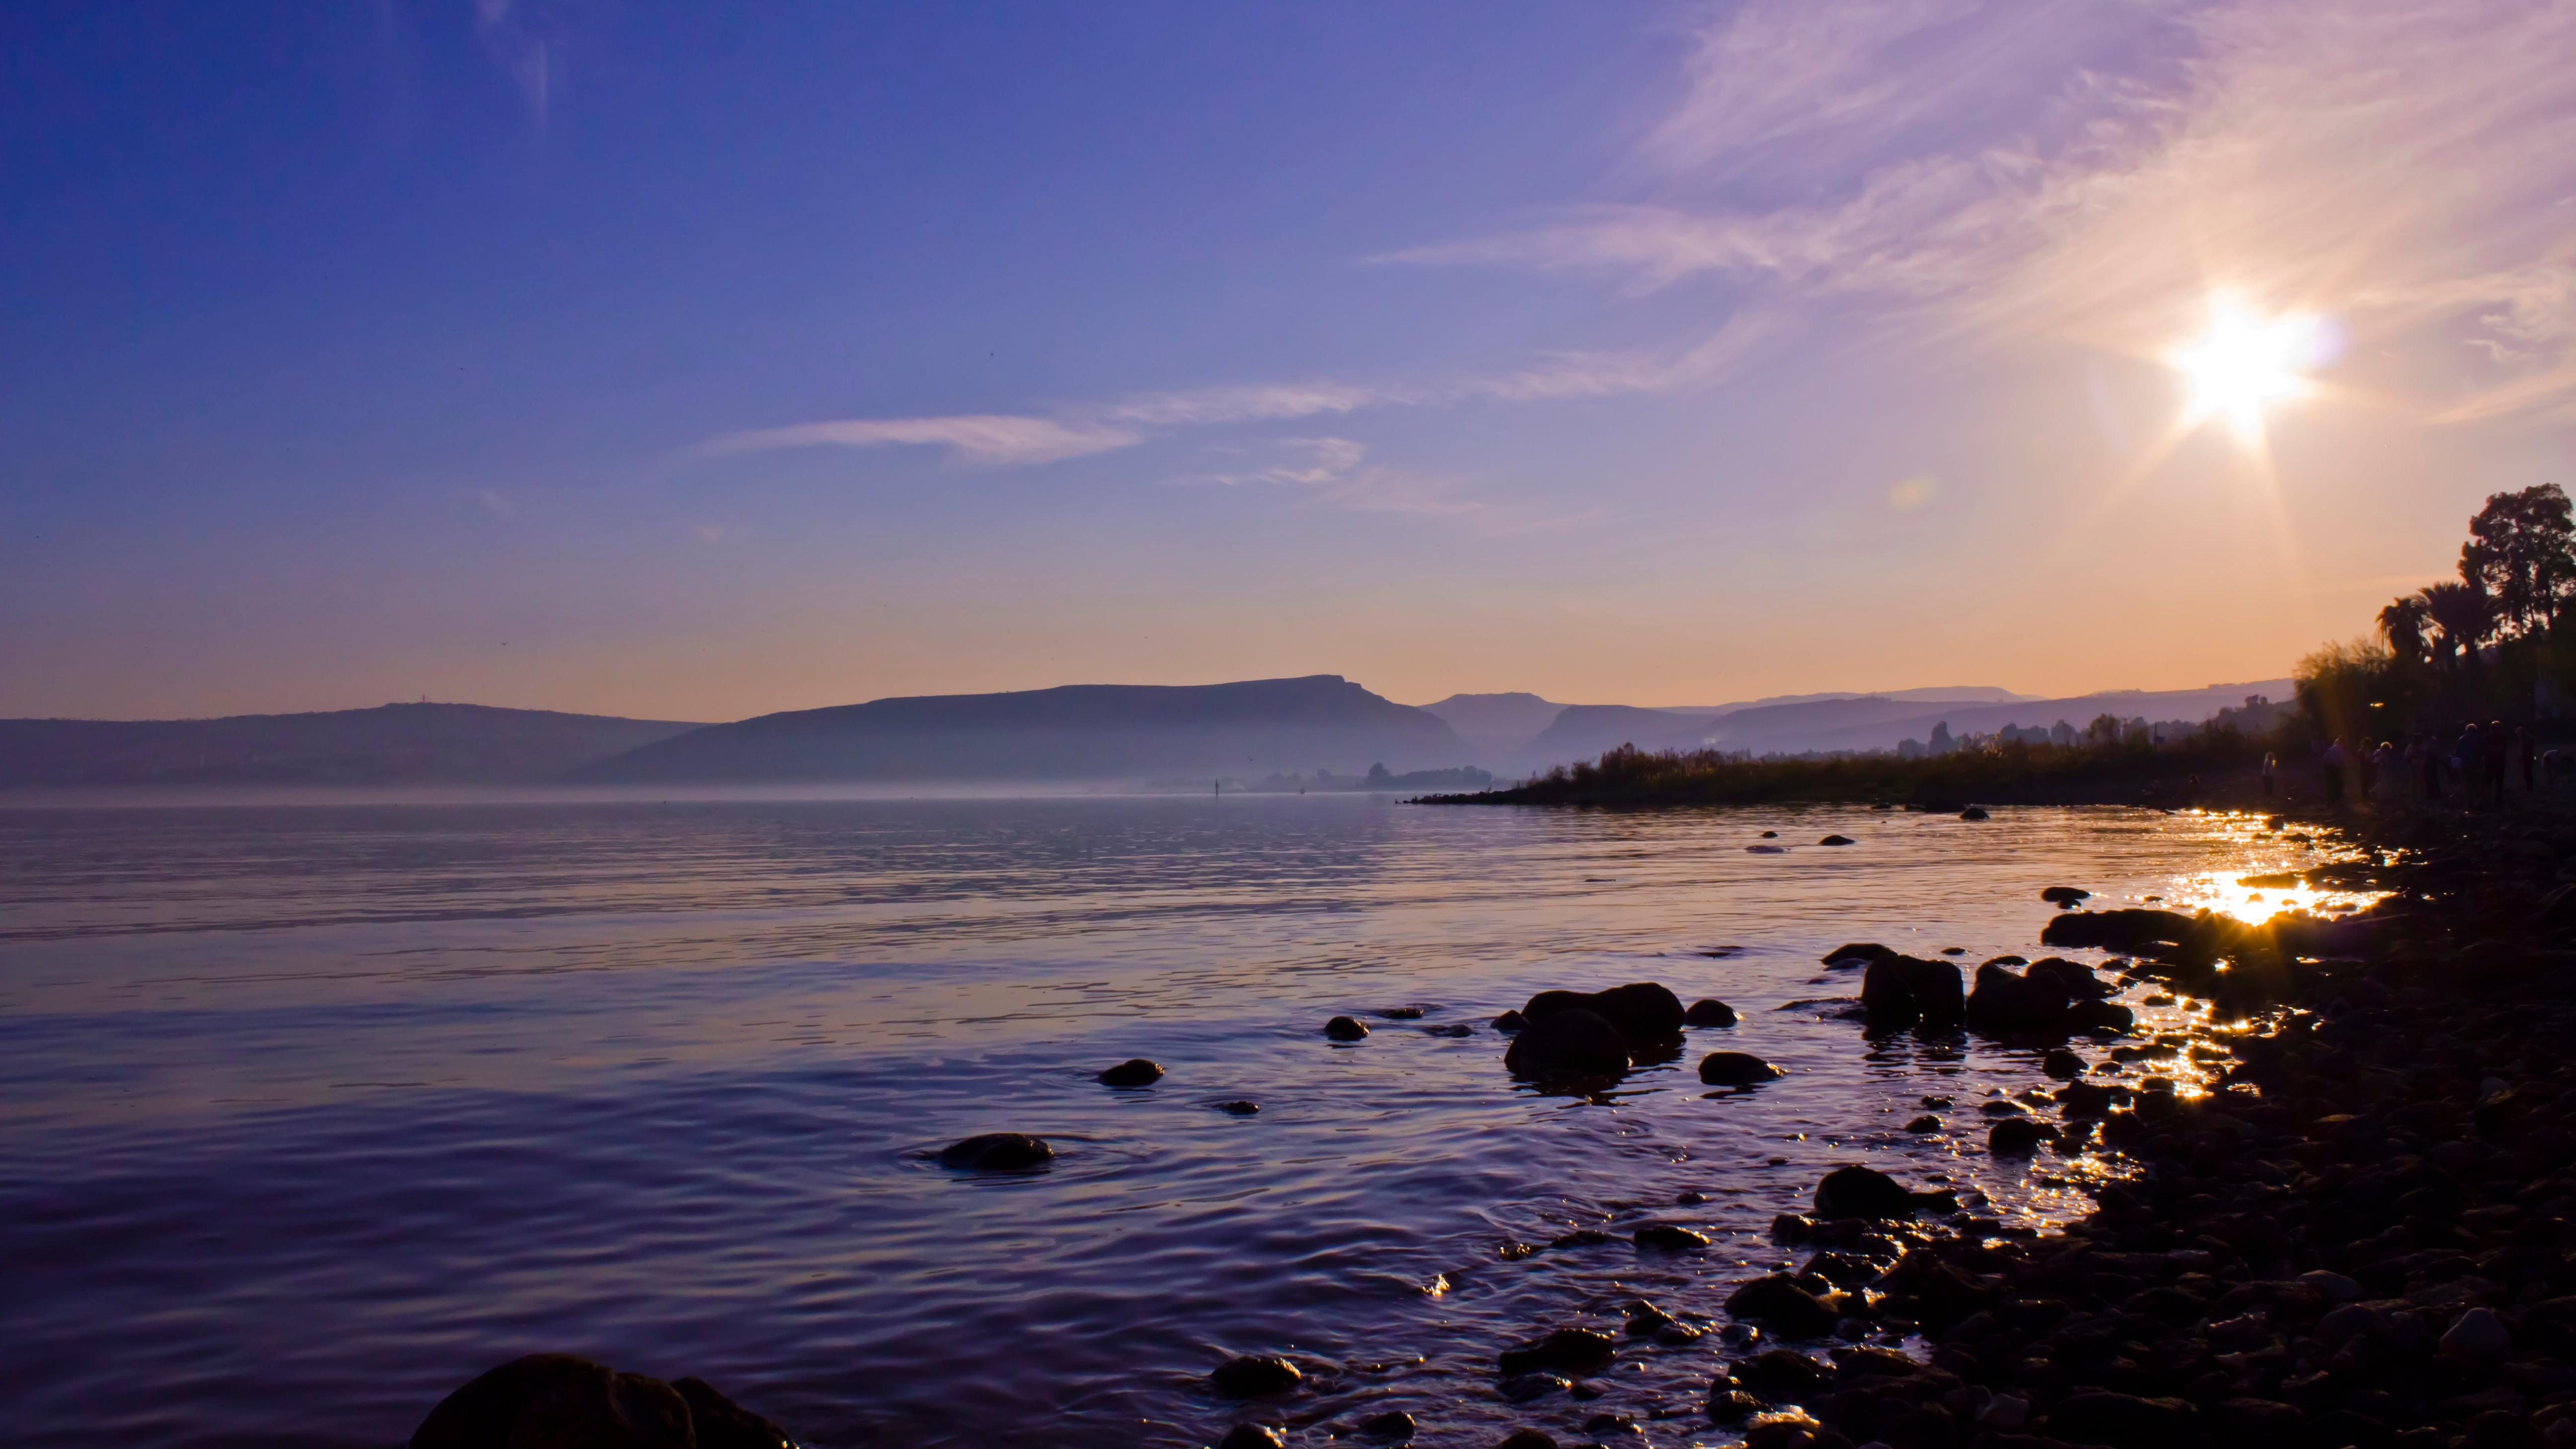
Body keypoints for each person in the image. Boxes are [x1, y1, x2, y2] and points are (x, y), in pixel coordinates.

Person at [2322, 737, 2347, 804]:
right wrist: (2343, 767)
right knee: (2339, 783)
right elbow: (2342, 759)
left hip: (2329, 767)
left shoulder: (2332, 749)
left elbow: (2324, 758)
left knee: (2331, 784)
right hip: (2335, 768)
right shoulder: (2340, 749)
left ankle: (2331, 800)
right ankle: (2338, 799)